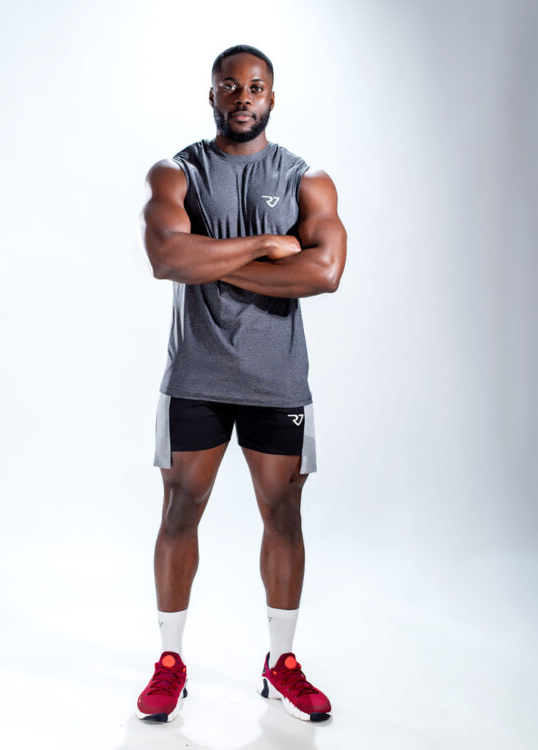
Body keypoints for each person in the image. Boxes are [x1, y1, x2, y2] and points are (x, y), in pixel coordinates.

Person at [136, 44, 347, 723]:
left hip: (277, 379)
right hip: (196, 375)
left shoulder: (307, 181)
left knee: (283, 515)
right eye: (229, 86)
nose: (243, 96)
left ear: (273, 97)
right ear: (213, 96)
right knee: (179, 511)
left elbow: (323, 274)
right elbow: (167, 255)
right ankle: (170, 661)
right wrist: (261, 245)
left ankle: (280, 662)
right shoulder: (178, 170)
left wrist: (210, 260)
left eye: (256, 86)